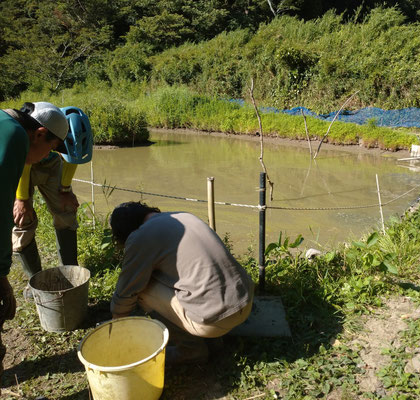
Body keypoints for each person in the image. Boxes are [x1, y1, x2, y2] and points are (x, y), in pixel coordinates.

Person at [109, 202, 254, 364]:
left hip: (215, 320)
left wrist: (117, 327)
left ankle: (190, 350)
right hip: (245, 302)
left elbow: (126, 290)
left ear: (124, 232)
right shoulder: (183, 216)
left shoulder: (140, 236)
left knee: (141, 288)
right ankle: (213, 340)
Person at [0, 101, 68, 379]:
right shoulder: (15, 136)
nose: (44, 158)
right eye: (50, 149)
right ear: (39, 133)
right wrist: (2, 274)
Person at [12, 106, 93, 297]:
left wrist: (65, 190)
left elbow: (73, 157)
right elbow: (24, 163)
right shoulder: (29, 130)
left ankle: (70, 272)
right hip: (22, 166)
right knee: (21, 220)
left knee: (66, 209)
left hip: (50, 163)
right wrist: (22, 199)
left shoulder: (71, 131)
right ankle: (36, 281)